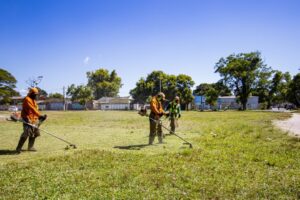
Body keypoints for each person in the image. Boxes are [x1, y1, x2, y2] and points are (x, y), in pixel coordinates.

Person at [16, 88, 47, 153]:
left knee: (35, 133)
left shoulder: (34, 101)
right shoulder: (27, 99)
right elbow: (32, 109)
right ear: (31, 94)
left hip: (34, 119)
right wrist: (39, 115)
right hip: (27, 118)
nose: (36, 96)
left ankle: (30, 147)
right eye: (35, 94)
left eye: (37, 94)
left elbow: (36, 110)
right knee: (26, 133)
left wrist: (40, 118)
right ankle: (18, 148)